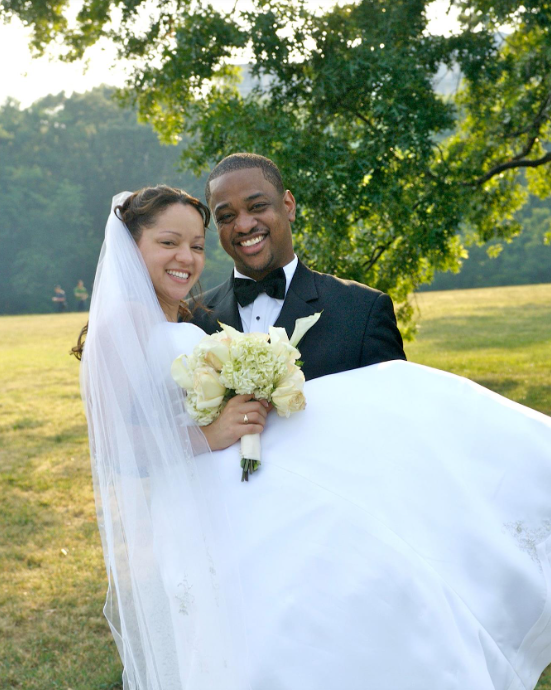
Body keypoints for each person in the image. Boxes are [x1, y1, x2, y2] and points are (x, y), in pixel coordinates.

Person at [79, 185, 551, 690]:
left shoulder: (186, 317)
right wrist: (212, 434)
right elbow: (119, 448)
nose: (187, 258)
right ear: (133, 248)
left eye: (197, 245)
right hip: (202, 508)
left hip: (231, 494)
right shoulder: (121, 323)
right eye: (169, 243)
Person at [190, 152, 406, 381]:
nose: (243, 225)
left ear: (288, 205)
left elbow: (394, 408)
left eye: (257, 206)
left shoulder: (363, 311)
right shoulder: (190, 319)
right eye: (226, 216)